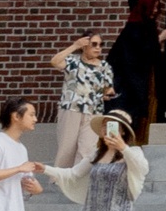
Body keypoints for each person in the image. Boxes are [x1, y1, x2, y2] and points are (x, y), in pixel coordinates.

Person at [47, 30, 115, 168]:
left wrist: (107, 93)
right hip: (71, 109)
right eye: (94, 44)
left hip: (94, 111)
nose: (98, 48)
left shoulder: (105, 67)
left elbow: (108, 88)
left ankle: (80, 181)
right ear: (84, 45)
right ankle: (63, 180)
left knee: (87, 149)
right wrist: (74, 46)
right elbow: (54, 62)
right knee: (67, 148)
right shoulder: (73, 61)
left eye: (101, 45)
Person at [106, 0, 166, 139]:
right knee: (120, 117)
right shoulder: (134, 29)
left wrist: (165, 60)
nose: (155, 11)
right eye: (153, 6)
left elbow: (148, 54)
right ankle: (111, 148)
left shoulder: (146, 28)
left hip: (138, 85)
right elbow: (137, 56)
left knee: (135, 119)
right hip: (127, 85)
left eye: (157, 7)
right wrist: (160, 39)